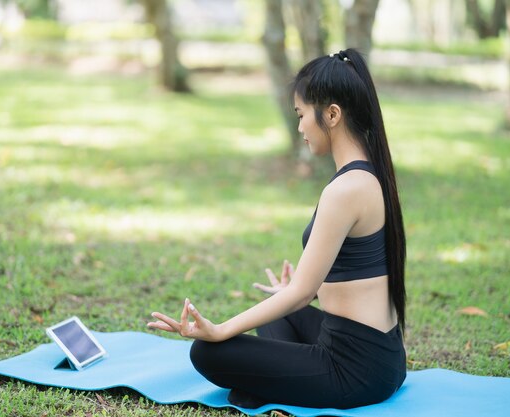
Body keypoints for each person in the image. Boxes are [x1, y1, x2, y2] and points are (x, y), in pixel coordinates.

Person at [147, 48, 407, 409]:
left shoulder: (346, 189)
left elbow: (301, 293)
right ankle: (276, 383)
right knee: (278, 303)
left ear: (332, 114)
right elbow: (354, 274)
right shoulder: (369, 175)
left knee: (206, 353)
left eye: (302, 115)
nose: (300, 127)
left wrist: (220, 329)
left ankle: (271, 385)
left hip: (354, 371)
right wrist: (292, 293)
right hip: (381, 357)